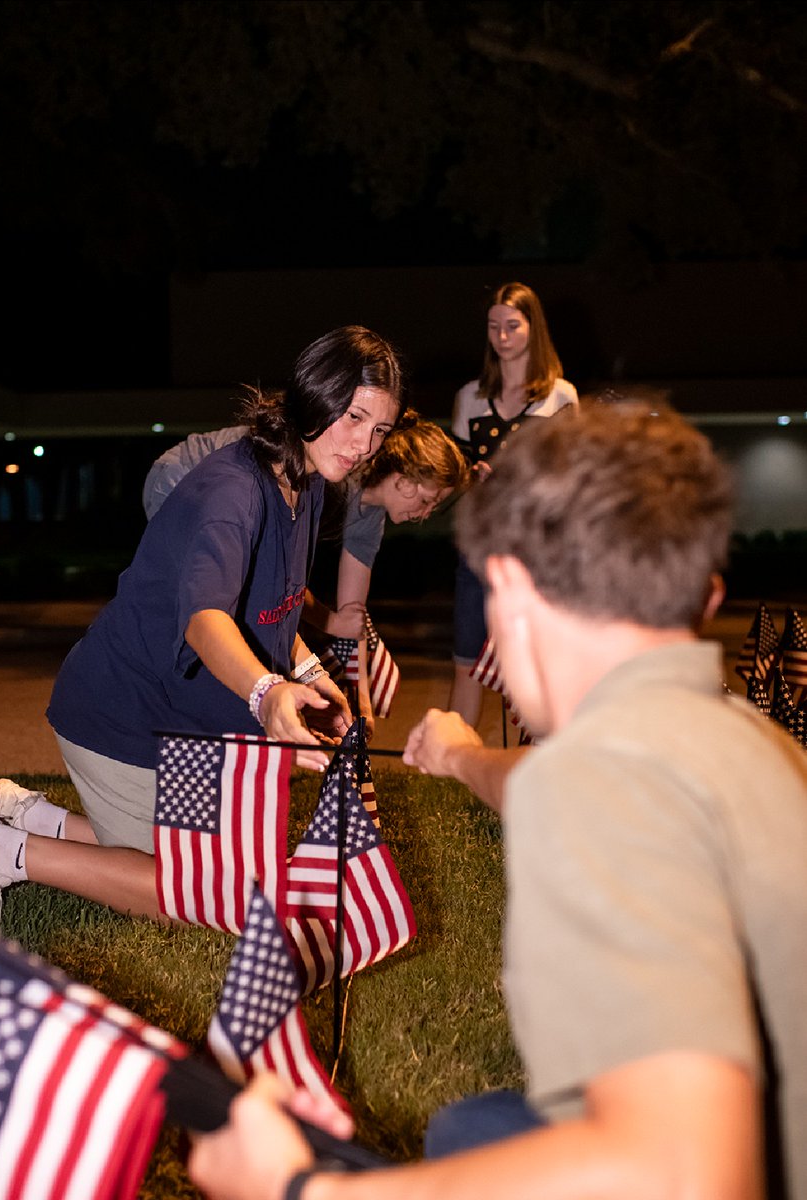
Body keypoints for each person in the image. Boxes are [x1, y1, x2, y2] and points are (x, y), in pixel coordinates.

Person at [185, 400, 807, 1200]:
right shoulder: (759, 745)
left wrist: (302, 1189)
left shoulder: (597, 790)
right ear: (703, 596)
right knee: (471, 1129)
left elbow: (687, 1173)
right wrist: (467, 757)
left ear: (510, 587)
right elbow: (570, 785)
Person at [0, 325, 404, 924]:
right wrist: (267, 693)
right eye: (355, 417)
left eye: (379, 429)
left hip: (185, 719)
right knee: (206, 895)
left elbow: (271, 608)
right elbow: (207, 621)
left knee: (245, 870)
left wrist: (306, 671)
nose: (364, 444)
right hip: (125, 716)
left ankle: (35, 818)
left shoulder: (305, 482)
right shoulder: (235, 490)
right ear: (315, 393)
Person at [143, 413, 468, 738]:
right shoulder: (333, 474)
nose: (426, 514)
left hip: (236, 504)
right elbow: (280, 582)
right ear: (402, 477)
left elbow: (351, 618)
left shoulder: (370, 519)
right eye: (428, 500)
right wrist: (328, 621)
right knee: (210, 607)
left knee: (242, 608)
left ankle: (232, 721)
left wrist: (361, 705)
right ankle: (179, 718)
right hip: (185, 476)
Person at [449, 281, 578, 728]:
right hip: (480, 550)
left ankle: (539, 767)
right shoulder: (471, 397)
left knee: (537, 665)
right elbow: (456, 476)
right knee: (467, 658)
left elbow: (570, 480)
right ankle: (454, 771)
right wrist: (474, 478)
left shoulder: (560, 396)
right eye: (493, 327)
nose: (502, 336)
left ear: (532, 328)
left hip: (535, 551)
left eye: (512, 326)